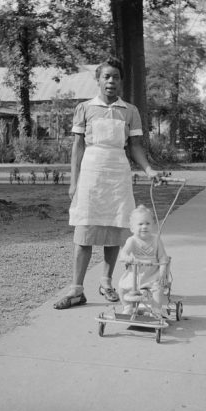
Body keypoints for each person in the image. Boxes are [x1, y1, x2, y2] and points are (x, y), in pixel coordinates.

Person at [53, 59, 162, 309]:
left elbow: (134, 146)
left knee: (114, 231)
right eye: (106, 77)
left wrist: (148, 169)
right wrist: (74, 181)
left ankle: (106, 282)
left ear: (121, 81)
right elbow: (77, 146)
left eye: (115, 77)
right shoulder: (84, 108)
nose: (111, 81)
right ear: (98, 80)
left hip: (117, 174)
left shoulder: (130, 111)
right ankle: (76, 290)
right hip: (91, 174)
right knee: (84, 233)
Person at [116, 205, 170, 316]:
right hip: (135, 274)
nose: (144, 227)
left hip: (152, 274)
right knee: (121, 287)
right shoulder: (132, 241)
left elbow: (163, 257)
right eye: (140, 224)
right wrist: (128, 258)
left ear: (153, 225)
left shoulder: (156, 240)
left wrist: (162, 272)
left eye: (147, 223)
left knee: (158, 289)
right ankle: (127, 306)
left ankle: (156, 309)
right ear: (132, 228)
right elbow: (123, 254)